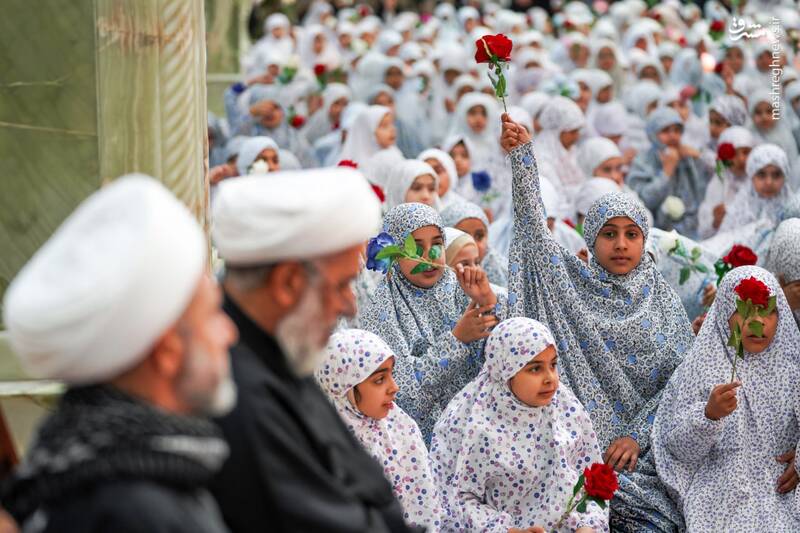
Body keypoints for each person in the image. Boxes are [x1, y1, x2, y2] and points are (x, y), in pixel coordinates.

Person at [1, 175, 236, 533]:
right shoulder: (143, 516)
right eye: (213, 316)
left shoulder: (73, 466)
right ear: (167, 350)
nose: (229, 332)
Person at [500, 114, 691, 532]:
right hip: (583, 453)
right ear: (590, 240)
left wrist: (638, 435)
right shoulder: (574, 287)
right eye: (609, 234)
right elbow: (534, 234)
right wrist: (523, 158)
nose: (621, 245)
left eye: (631, 234)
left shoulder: (663, 300)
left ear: (644, 240)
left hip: (654, 449)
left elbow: (682, 381)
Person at [209, 169, 418, 532]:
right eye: (341, 285)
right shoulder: (240, 395)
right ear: (288, 282)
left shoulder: (283, 355)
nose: (350, 305)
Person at [652, 266, 800, 531]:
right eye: (745, 311)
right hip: (725, 488)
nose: (757, 322)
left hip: (786, 485)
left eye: (767, 310)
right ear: (723, 313)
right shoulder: (702, 367)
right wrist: (709, 415)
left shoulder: (792, 366)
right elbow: (678, 450)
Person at [431, 317, 607, 533]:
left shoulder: (565, 407)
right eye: (535, 369)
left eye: (553, 365)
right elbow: (455, 500)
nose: (550, 378)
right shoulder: (473, 423)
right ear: (506, 371)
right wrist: (507, 531)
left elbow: (594, 481)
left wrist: (588, 525)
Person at [358, 203, 505, 443]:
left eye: (436, 244)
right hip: (427, 445)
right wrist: (456, 341)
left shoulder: (464, 289)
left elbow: (509, 362)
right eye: (416, 248)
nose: (429, 256)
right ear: (395, 254)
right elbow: (404, 399)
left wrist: (488, 302)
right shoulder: (382, 312)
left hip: (484, 437)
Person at [316, 329, 441, 532]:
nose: (394, 387)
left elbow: (429, 501)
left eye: (392, 374)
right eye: (379, 380)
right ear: (344, 389)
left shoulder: (400, 425)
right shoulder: (331, 448)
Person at [627, 107, 708, 239]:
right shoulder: (642, 162)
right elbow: (642, 202)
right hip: (655, 234)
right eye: (665, 131)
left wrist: (700, 159)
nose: (673, 136)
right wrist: (666, 172)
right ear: (653, 134)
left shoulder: (688, 158)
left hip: (690, 231)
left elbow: (702, 195)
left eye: (677, 130)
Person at [440, 201, 508, 287]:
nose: (472, 243)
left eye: (479, 236)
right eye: (463, 236)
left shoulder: (504, 273)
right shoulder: (432, 278)